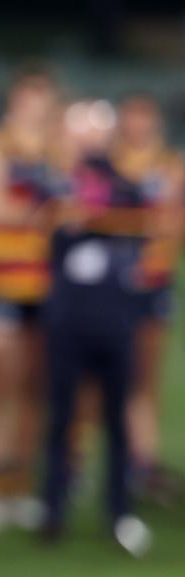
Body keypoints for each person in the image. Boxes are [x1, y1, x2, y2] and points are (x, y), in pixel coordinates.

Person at [41, 98, 154, 555]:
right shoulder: (54, 185)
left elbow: (141, 219)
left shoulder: (125, 188)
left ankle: (119, 509)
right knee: (61, 418)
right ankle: (53, 509)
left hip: (114, 319)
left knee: (115, 419)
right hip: (68, 320)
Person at [0, 68, 59, 533]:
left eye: (42, 101)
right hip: (1, 284)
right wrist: (42, 213)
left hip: (48, 286)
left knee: (35, 389)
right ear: (14, 101)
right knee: (2, 386)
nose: (36, 110)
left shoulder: (58, 148)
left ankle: (21, 482)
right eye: (29, 99)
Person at [111, 96, 185, 505]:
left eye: (146, 115)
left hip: (153, 283)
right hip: (110, 286)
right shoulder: (108, 163)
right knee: (102, 380)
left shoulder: (170, 165)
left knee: (145, 377)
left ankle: (143, 462)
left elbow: (172, 223)